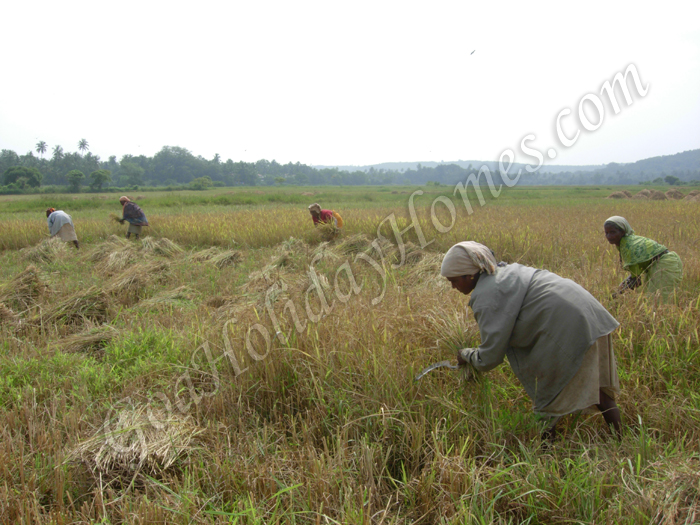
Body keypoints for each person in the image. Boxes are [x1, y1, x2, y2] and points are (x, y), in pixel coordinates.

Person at [441, 241, 622, 441]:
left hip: (566, 324)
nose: (453, 286)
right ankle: (621, 438)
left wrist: (466, 354)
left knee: (547, 394)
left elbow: (490, 357)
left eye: (454, 280)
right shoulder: (505, 273)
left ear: (470, 275)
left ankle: (545, 454)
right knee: (596, 383)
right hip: (589, 312)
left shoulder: (487, 296)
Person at [603, 216, 683, 301]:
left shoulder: (629, 246)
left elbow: (636, 281)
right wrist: (621, 287)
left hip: (665, 265)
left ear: (622, 232)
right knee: (651, 298)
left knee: (659, 301)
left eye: (612, 232)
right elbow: (634, 274)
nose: (609, 236)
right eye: (606, 233)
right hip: (656, 265)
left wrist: (614, 297)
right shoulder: (624, 243)